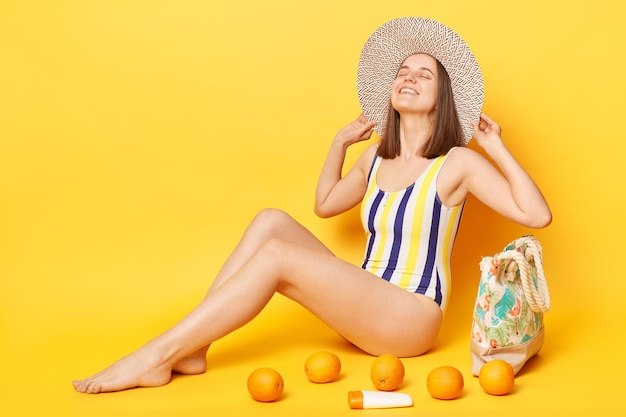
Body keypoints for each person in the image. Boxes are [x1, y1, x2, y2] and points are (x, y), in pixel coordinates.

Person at [73, 17, 551, 394]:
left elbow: (536, 215)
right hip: (365, 304)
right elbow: (324, 205)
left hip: (410, 317)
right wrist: (339, 144)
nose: (408, 77)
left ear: (441, 97)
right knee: (270, 222)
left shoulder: (456, 164)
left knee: (278, 258)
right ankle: (195, 349)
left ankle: (156, 356)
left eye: (423, 74)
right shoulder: (376, 156)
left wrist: (499, 148)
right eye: (403, 72)